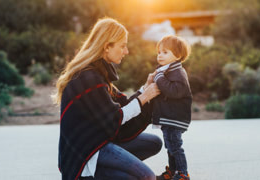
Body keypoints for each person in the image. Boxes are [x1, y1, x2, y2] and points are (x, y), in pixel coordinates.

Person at [52, 17, 162, 180]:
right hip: (87, 152)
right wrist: (145, 97)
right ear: (106, 47)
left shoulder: (97, 74)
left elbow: (121, 104)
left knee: (154, 143)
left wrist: (144, 89)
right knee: (147, 177)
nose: (126, 51)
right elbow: (115, 117)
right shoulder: (88, 78)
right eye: (122, 46)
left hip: (98, 140)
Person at [152, 35, 192, 180]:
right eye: (159, 52)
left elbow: (174, 91)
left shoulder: (178, 73)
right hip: (168, 117)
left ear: (178, 55)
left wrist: (159, 78)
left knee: (175, 146)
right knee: (169, 147)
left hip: (175, 117)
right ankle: (173, 171)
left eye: (165, 52)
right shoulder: (166, 71)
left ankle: (182, 173)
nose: (160, 55)